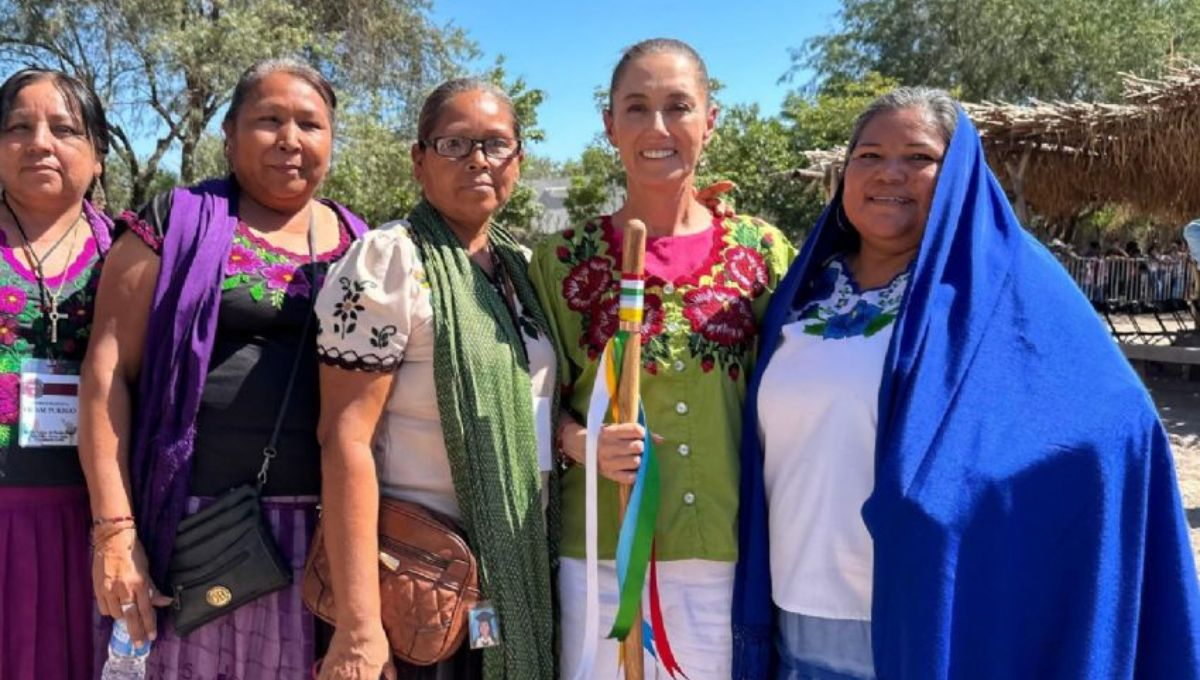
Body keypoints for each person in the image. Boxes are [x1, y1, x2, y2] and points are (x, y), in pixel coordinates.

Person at [733, 87, 1200, 679]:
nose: (889, 174)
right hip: (794, 612)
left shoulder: (1009, 282)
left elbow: (1117, 426)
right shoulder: (802, 292)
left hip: (936, 616)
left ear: (958, 173)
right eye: (868, 156)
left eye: (919, 158)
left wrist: (948, 499)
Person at [79, 58, 369, 679]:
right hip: (193, 529)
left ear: (331, 141)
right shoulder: (172, 224)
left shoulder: (357, 241)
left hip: (324, 540)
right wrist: (114, 531)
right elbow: (106, 379)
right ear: (230, 134)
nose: (291, 139)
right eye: (269, 120)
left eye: (310, 125)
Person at [529, 38, 795, 678]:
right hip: (597, 555)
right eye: (637, 107)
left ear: (711, 119)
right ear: (609, 125)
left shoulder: (761, 252)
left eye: (679, 106)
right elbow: (531, 398)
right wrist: (580, 441)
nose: (658, 127)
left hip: (726, 554)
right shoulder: (561, 260)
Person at [314, 78, 556, 680]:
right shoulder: (388, 262)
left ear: (518, 163)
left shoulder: (521, 270)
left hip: (511, 569)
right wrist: (359, 625)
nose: (477, 159)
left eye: (496, 144)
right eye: (454, 143)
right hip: (418, 584)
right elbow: (345, 440)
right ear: (419, 160)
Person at [0, 67, 112, 680]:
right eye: (19, 127)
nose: (39, 142)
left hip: (97, 523)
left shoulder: (129, 253)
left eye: (64, 129)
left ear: (96, 155)